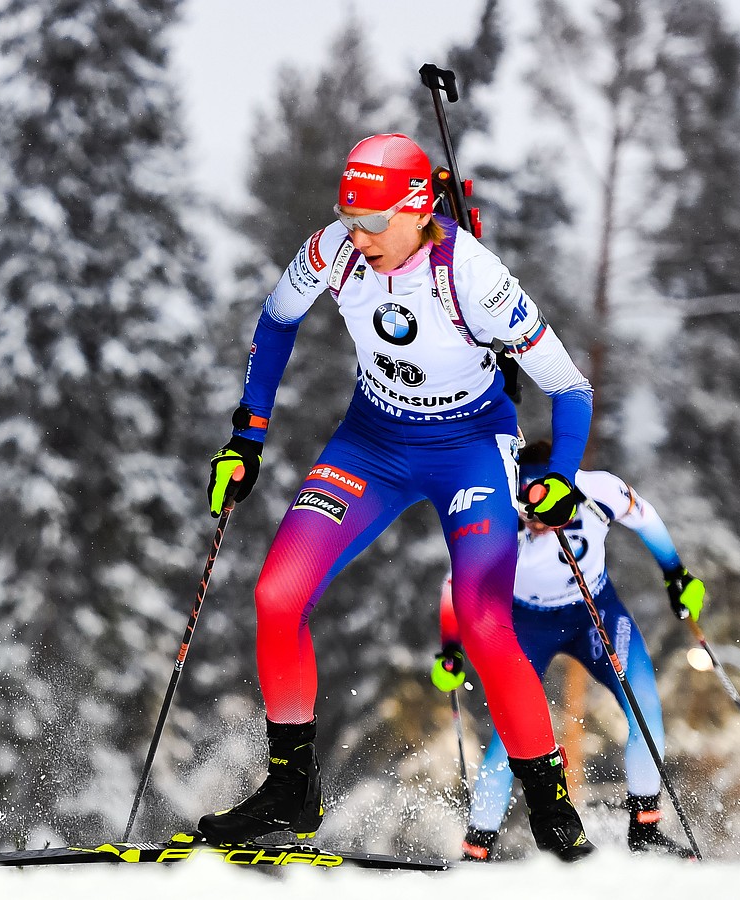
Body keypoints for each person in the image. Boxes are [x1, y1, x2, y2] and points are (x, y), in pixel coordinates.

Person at [197, 133, 597, 861]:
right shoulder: (333, 250)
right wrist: (248, 435)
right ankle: (291, 786)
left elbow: (570, 387)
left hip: (470, 449)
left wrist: (562, 476)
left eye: (375, 222)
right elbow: (277, 319)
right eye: (350, 216)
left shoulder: (473, 275)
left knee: (481, 620)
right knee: (277, 596)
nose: (360, 235)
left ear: (418, 210)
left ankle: (550, 805)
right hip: (371, 444)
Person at [432, 439, 706, 861]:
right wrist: (451, 649)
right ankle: (477, 849)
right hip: (524, 624)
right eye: (525, 506)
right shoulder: (496, 508)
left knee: (645, 710)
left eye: (541, 506)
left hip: (594, 610)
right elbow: (454, 584)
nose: (533, 518)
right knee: (508, 739)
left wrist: (676, 573)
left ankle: (645, 831)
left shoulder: (596, 490)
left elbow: (646, 517)